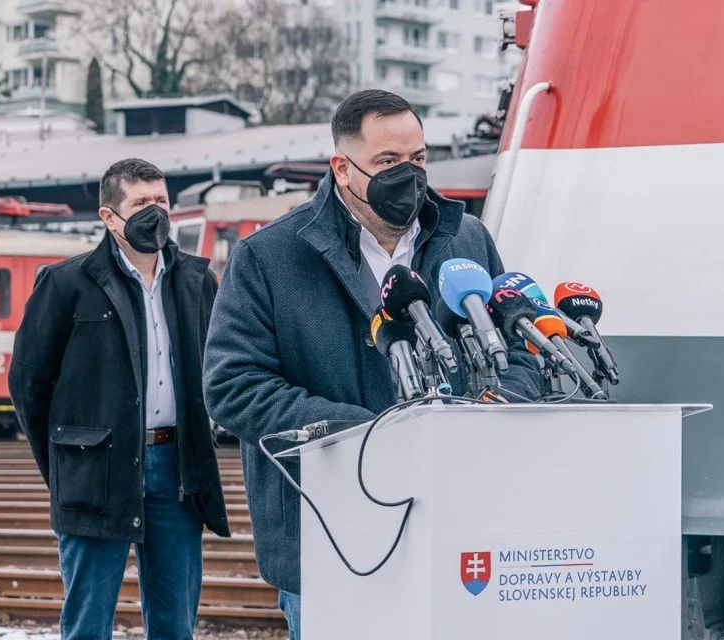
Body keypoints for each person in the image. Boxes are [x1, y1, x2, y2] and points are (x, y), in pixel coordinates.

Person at [202, 90, 542, 638]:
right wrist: (355, 433)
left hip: (454, 524)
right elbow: (232, 386)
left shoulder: (468, 239)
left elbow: (517, 347)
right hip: (329, 533)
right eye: (388, 163)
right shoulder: (269, 257)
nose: (408, 177)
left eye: (418, 160)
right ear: (343, 168)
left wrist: (505, 400)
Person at [9, 158, 230, 640]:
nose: (156, 213)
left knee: (175, 623)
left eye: (162, 202)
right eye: (141, 204)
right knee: (88, 622)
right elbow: (29, 384)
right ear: (109, 217)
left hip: (176, 468)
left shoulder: (196, 280)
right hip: (97, 468)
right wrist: (66, 463)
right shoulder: (67, 282)